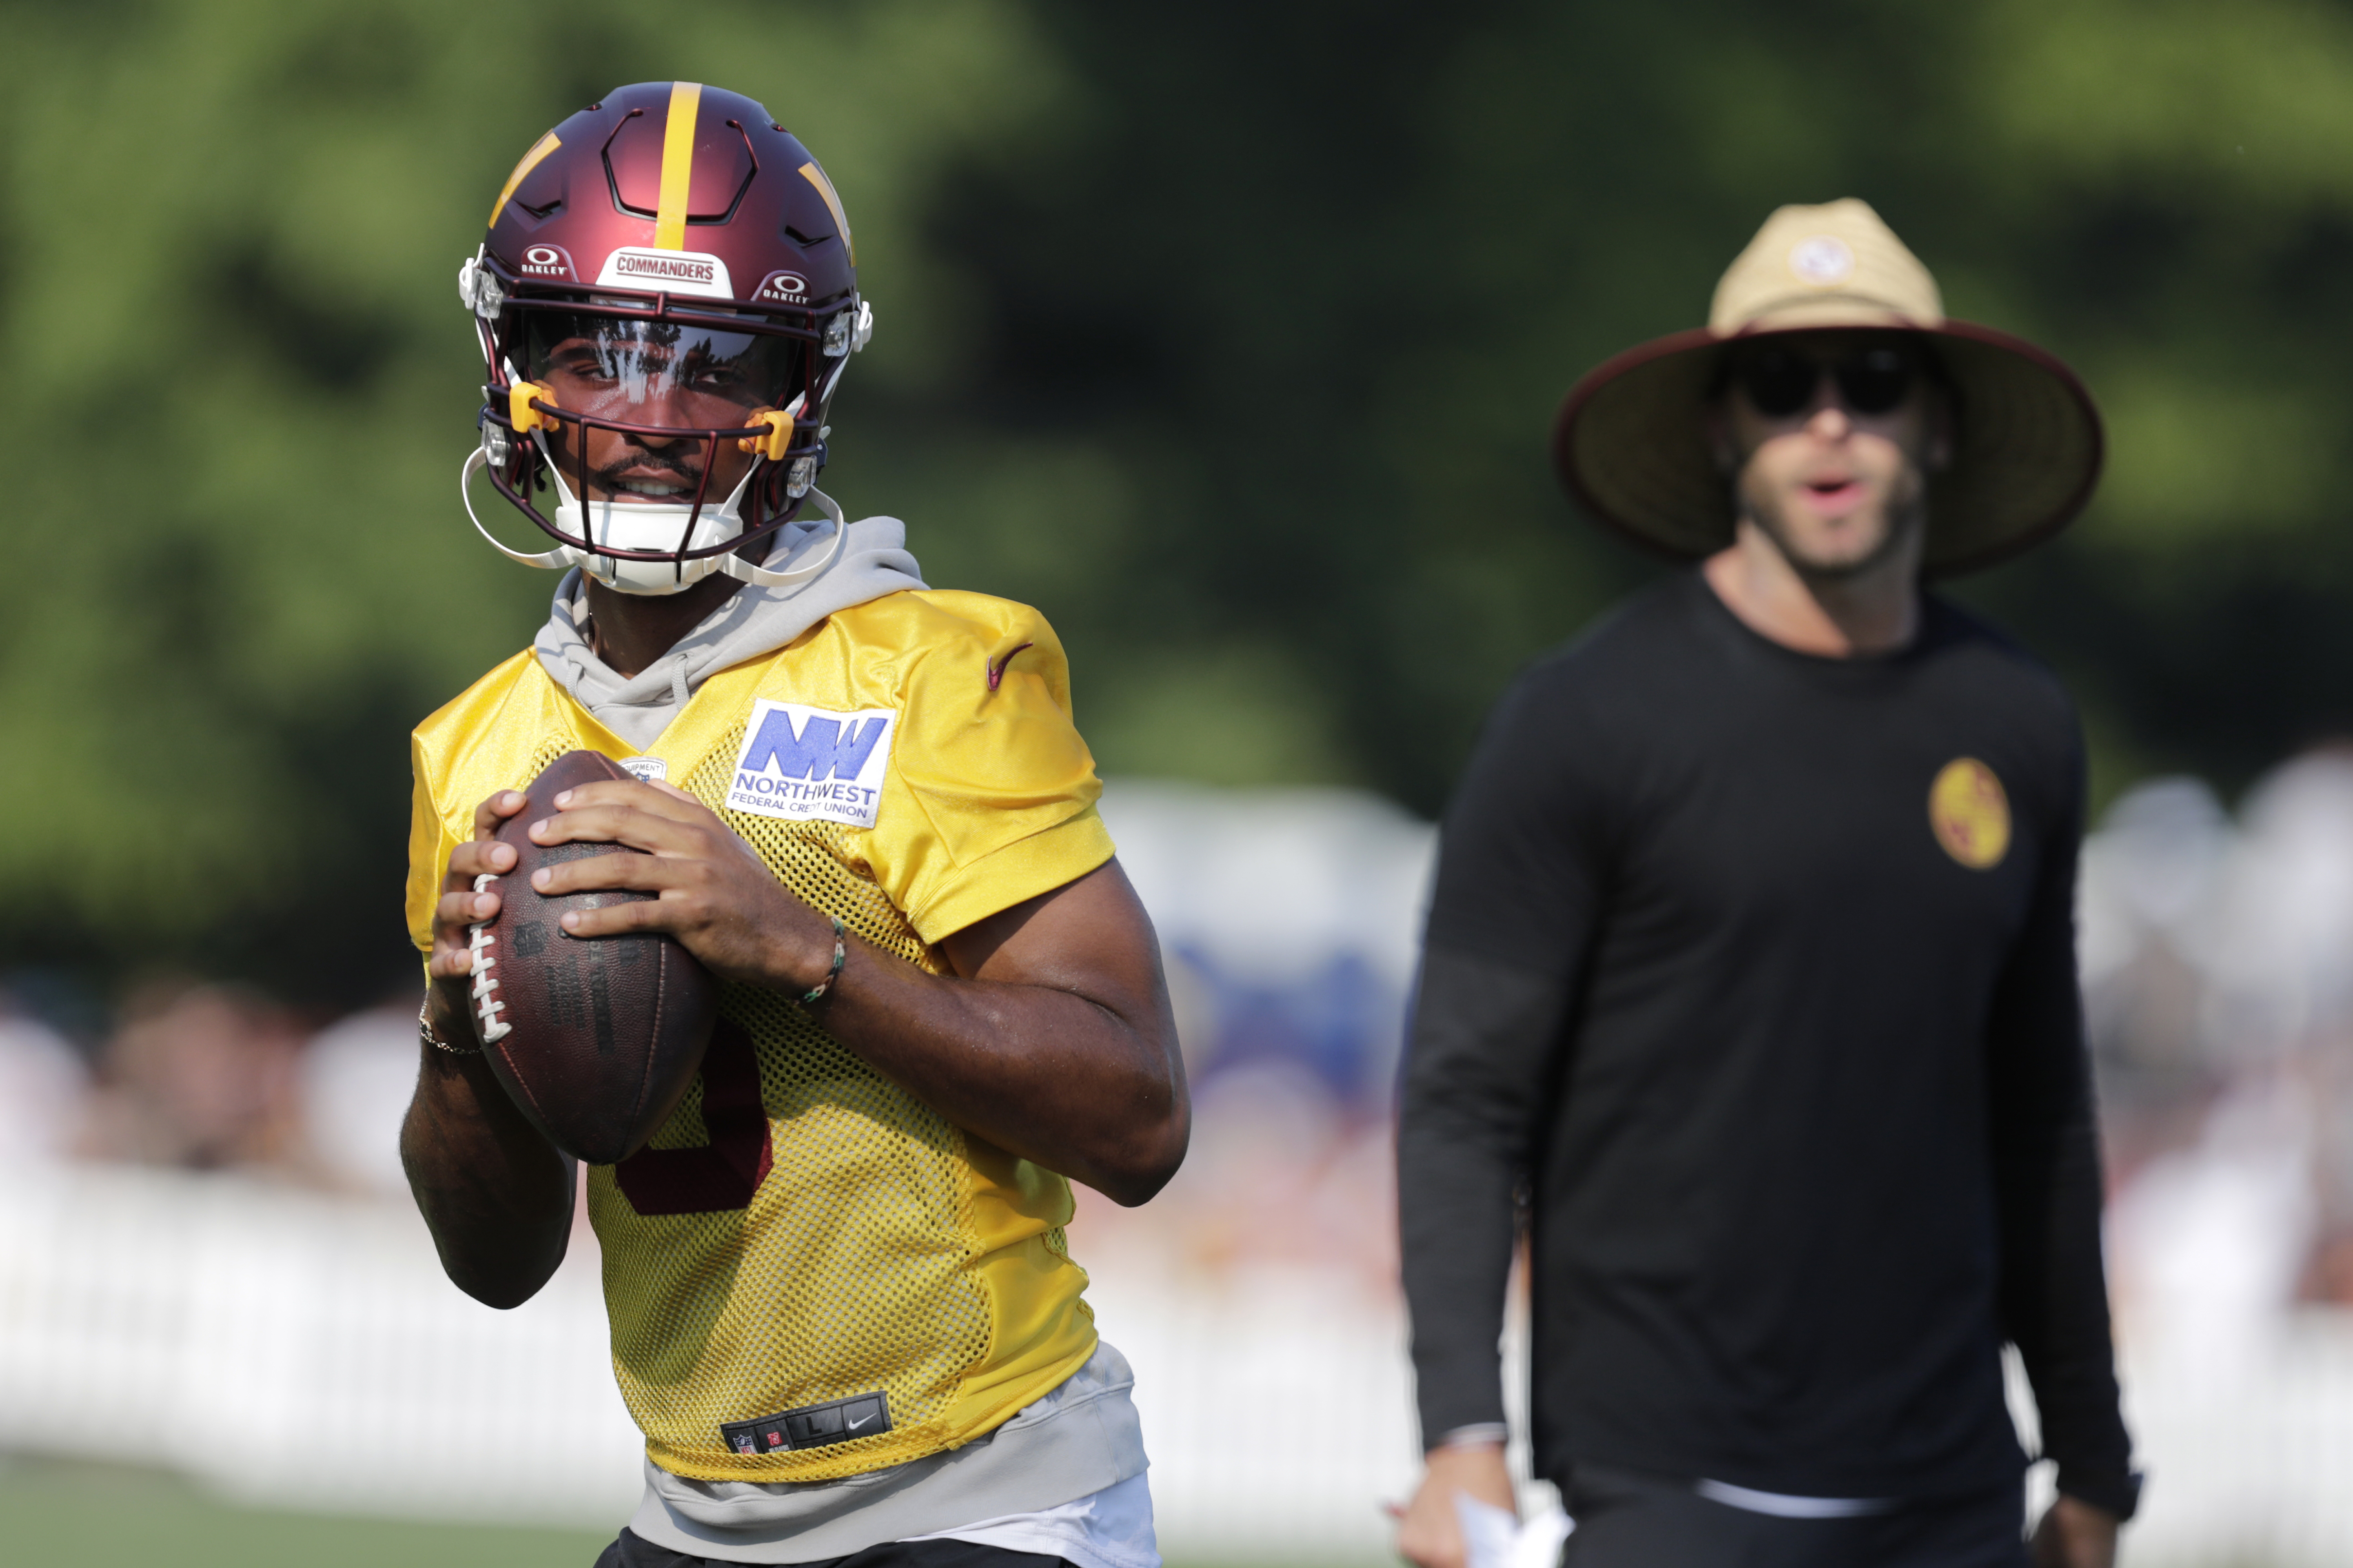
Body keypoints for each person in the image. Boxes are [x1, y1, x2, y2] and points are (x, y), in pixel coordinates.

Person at [400, 82, 1187, 1568]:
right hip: (693, 1514)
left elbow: (1140, 1120)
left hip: (986, 1491)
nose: (643, 417)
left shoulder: (935, 671)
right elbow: (497, 1268)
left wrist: (800, 948)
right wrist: (460, 1034)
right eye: (595, 352)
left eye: (710, 367)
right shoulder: (475, 751)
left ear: (799, 392)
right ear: (509, 364)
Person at [1393, 200, 2138, 1568]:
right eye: (1785, 386)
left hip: (1951, 1497)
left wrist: (2093, 1465)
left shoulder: (2020, 721)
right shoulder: (1584, 720)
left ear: (1941, 422)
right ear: (1725, 426)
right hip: (1658, 1491)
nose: (1832, 423)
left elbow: (2043, 1114)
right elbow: (1462, 1099)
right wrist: (1460, 1440)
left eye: (1875, 381)